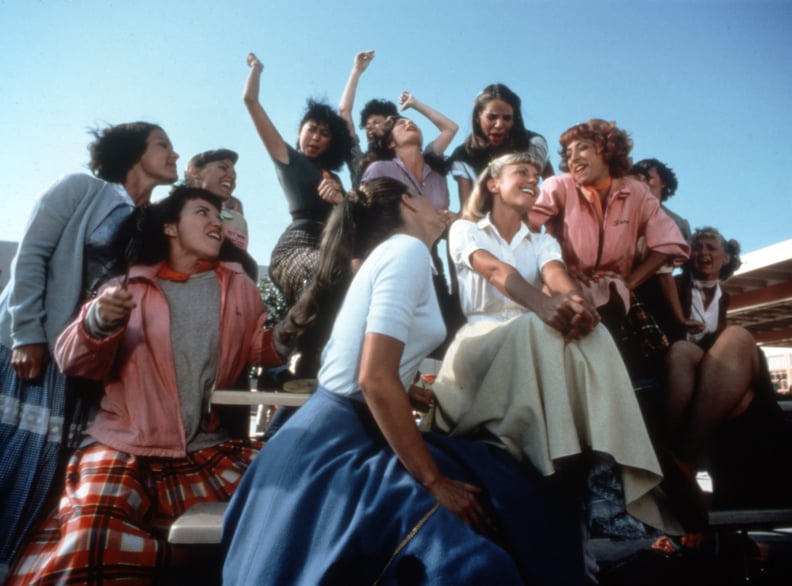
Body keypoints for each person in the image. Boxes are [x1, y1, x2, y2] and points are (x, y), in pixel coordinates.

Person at [222, 177, 585, 585]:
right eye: (423, 195)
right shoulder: (406, 250)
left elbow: (347, 357)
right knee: (476, 557)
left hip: (336, 428)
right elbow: (374, 377)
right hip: (338, 444)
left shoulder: (397, 254)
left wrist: (406, 386)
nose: (436, 205)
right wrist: (433, 481)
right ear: (408, 205)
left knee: (495, 477)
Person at [8, 187, 284, 584]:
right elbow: (72, 360)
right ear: (170, 227)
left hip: (203, 450)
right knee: (93, 538)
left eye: (219, 216)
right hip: (125, 446)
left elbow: (257, 348)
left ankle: (162, 559)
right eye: (202, 212)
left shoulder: (239, 285)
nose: (216, 222)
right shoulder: (128, 285)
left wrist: (288, 334)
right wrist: (98, 322)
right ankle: (178, 560)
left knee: (303, 491)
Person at [426, 152, 679, 554]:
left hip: (530, 333)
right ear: (492, 184)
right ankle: (564, 465)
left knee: (595, 333)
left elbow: (557, 277)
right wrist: (542, 305)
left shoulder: (543, 240)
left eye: (536, 175)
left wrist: (579, 305)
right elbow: (494, 270)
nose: (533, 180)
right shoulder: (464, 229)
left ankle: (602, 476)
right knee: (538, 325)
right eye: (521, 173)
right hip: (479, 342)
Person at [0, 121, 178, 580]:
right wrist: (26, 335)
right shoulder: (82, 189)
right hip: (28, 352)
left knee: (40, 478)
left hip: (78, 367)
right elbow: (31, 255)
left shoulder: (148, 221)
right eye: (163, 145)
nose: (174, 154)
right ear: (134, 152)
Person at [528, 119, 690, 380]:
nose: (573, 158)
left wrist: (629, 282)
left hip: (614, 296)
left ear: (607, 150)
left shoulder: (636, 192)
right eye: (568, 154)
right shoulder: (558, 186)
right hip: (565, 288)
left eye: (582, 148)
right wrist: (559, 270)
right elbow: (524, 228)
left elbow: (668, 242)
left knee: (607, 362)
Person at [662, 227, 792, 510]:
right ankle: (675, 457)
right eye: (697, 248)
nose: (703, 253)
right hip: (696, 375)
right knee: (681, 352)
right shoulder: (675, 286)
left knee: (737, 336)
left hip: (729, 372)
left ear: (726, 258)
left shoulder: (725, 297)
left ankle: (683, 459)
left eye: (710, 248)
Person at [243, 52, 353, 308]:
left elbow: (351, 222)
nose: (315, 137)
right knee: (321, 278)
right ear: (299, 132)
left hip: (332, 247)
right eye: (311, 129)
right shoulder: (288, 158)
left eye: (324, 133)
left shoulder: (335, 179)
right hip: (297, 247)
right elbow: (250, 100)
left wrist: (340, 200)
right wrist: (256, 69)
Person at [361, 101, 463, 355]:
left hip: (431, 258)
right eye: (398, 124)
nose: (407, 122)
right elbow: (368, 219)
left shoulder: (437, 174)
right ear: (390, 143)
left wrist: (452, 219)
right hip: (392, 256)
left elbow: (451, 128)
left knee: (441, 329)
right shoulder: (379, 169)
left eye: (409, 120)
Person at [450, 83, 553, 211]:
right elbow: (467, 209)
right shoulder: (463, 155)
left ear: (514, 120)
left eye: (507, 118)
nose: (499, 125)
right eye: (492, 117)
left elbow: (552, 188)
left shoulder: (532, 144)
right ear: (478, 117)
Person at [183, 148, 257, 280]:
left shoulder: (237, 221)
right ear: (194, 171)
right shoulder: (168, 209)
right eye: (223, 168)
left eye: (234, 172)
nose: (232, 176)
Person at [337, 50, 400, 187]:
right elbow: (344, 111)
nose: (369, 127)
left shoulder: (406, 159)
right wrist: (357, 70)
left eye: (376, 122)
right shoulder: (359, 161)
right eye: (367, 124)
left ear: (390, 124)